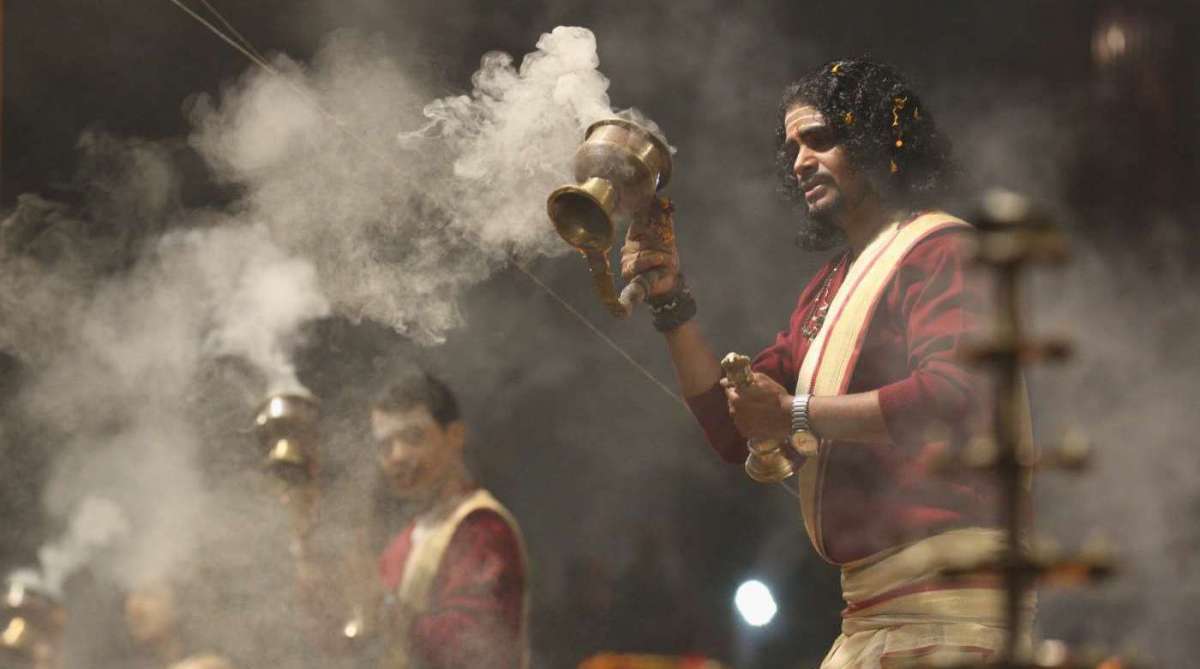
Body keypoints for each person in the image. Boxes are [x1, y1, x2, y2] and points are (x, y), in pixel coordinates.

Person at [621, 58, 1021, 667]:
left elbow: (955, 394)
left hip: (952, 618)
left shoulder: (946, 248)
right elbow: (736, 430)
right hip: (871, 616)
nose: (801, 161)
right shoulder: (827, 288)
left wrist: (796, 412)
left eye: (820, 139)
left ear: (879, 140)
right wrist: (670, 302)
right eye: (792, 149)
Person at [371, 368, 528, 669]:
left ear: (455, 435)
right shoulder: (401, 545)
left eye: (413, 437)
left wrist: (383, 608)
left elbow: (477, 648)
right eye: (385, 445)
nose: (398, 455)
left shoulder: (482, 528)